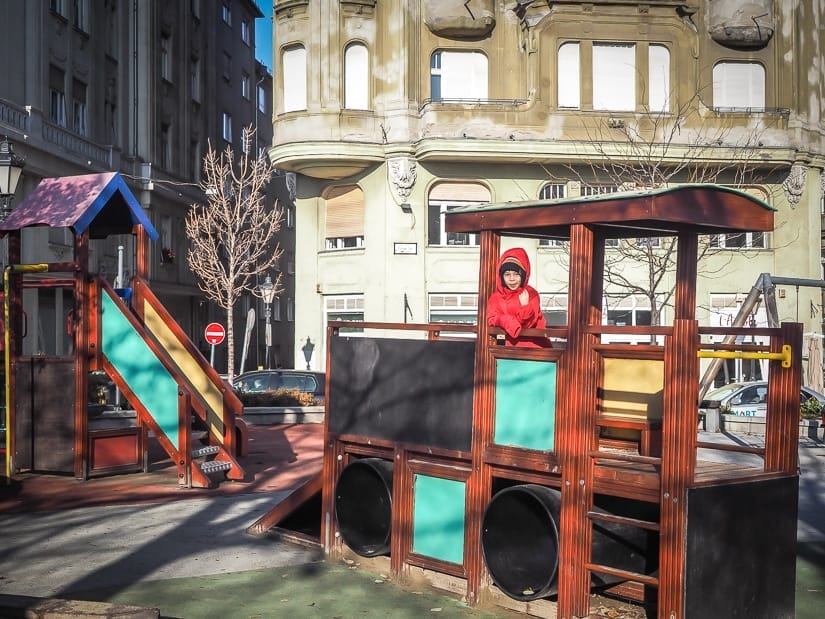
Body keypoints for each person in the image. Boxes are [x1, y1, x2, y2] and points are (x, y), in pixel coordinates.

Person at [486, 248, 550, 348]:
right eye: (507, 274)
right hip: (508, 349)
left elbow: (528, 324)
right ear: (501, 276)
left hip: (535, 348)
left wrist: (525, 307)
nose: (512, 279)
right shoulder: (496, 297)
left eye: (516, 274)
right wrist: (508, 321)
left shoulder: (531, 294)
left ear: (523, 275)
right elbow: (491, 319)